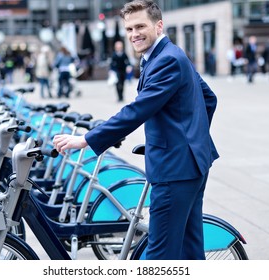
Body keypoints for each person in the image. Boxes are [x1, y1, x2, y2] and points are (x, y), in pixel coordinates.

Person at [53, 0, 219, 260]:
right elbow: (209, 98)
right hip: (190, 165)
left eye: (140, 26)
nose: (134, 34)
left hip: (175, 170)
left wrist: (86, 139)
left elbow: (138, 110)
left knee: (159, 255)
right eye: (129, 29)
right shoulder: (170, 54)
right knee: (189, 249)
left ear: (159, 25)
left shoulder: (167, 60)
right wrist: (190, 137)